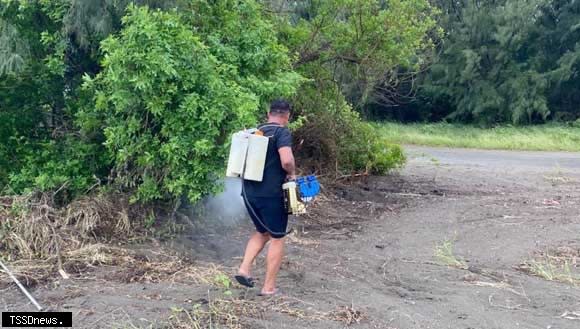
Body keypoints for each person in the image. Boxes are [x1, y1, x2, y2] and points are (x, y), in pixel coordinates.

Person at [235, 99, 296, 296]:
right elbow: (286, 160)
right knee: (278, 237)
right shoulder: (281, 132)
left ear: (268, 113)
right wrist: (292, 173)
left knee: (262, 232)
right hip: (271, 195)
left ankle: (244, 269)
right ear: (287, 116)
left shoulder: (255, 132)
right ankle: (269, 287)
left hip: (249, 193)